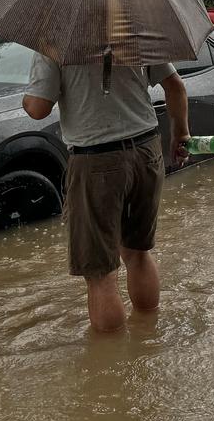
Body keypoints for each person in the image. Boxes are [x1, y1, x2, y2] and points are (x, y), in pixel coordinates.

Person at [22, 57, 190, 333]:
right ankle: (148, 333)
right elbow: (176, 87)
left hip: (96, 159)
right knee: (138, 252)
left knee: (100, 272)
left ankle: (110, 367)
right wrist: (180, 134)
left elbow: (38, 108)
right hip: (146, 151)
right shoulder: (135, 31)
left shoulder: (56, 43)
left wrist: (27, 99)